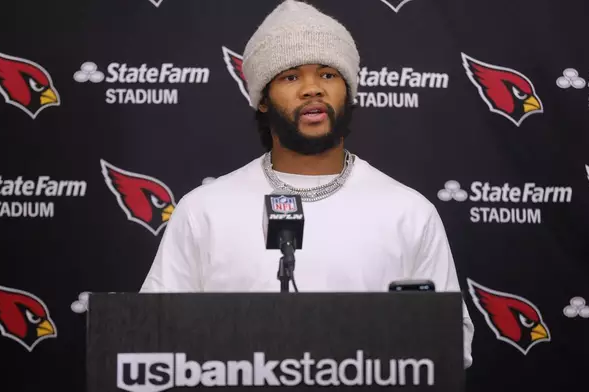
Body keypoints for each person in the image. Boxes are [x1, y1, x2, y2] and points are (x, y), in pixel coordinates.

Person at [140, 0, 474, 368]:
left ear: (348, 91)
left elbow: (452, 345)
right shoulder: (204, 210)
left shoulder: (409, 212)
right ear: (263, 100)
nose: (312, 89)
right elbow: (155, 336)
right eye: (290, 76)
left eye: (328, 74)